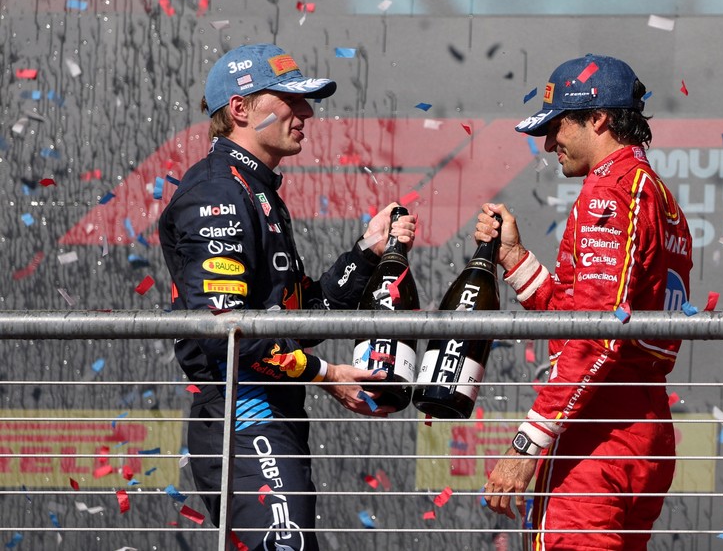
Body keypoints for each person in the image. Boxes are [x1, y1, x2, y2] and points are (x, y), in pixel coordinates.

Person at [158, 43, 416, 551]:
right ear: (240, 109)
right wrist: (327, 374)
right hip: (243, 411)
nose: (306, 113)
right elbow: (224, 330)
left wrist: (368, 253)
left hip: (270, 409)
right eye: (290, 100)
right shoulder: (217, 193)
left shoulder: (254, 190)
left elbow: (296, 321)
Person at [479, 54, 693, 550]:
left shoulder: (609, 194)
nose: (549, 143)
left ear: (597, 118)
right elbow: (581, 314)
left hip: (600, 433)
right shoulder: (652, 191)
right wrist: (514, 258)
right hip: (640, 427)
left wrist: (527, 443)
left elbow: (596, 335)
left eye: (557, 127)